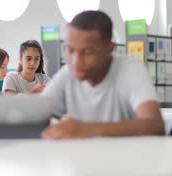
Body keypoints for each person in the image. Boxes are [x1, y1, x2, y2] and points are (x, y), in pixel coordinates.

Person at [41, 10, 164, 139]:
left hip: (128, 157)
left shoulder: (130, 69)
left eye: (87, 52)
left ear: (109, 49)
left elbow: (155, 125)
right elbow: (37, 114)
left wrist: (87, 129)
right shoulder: (67, 74)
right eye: (70, 50)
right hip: (82, 157)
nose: (76, 62)